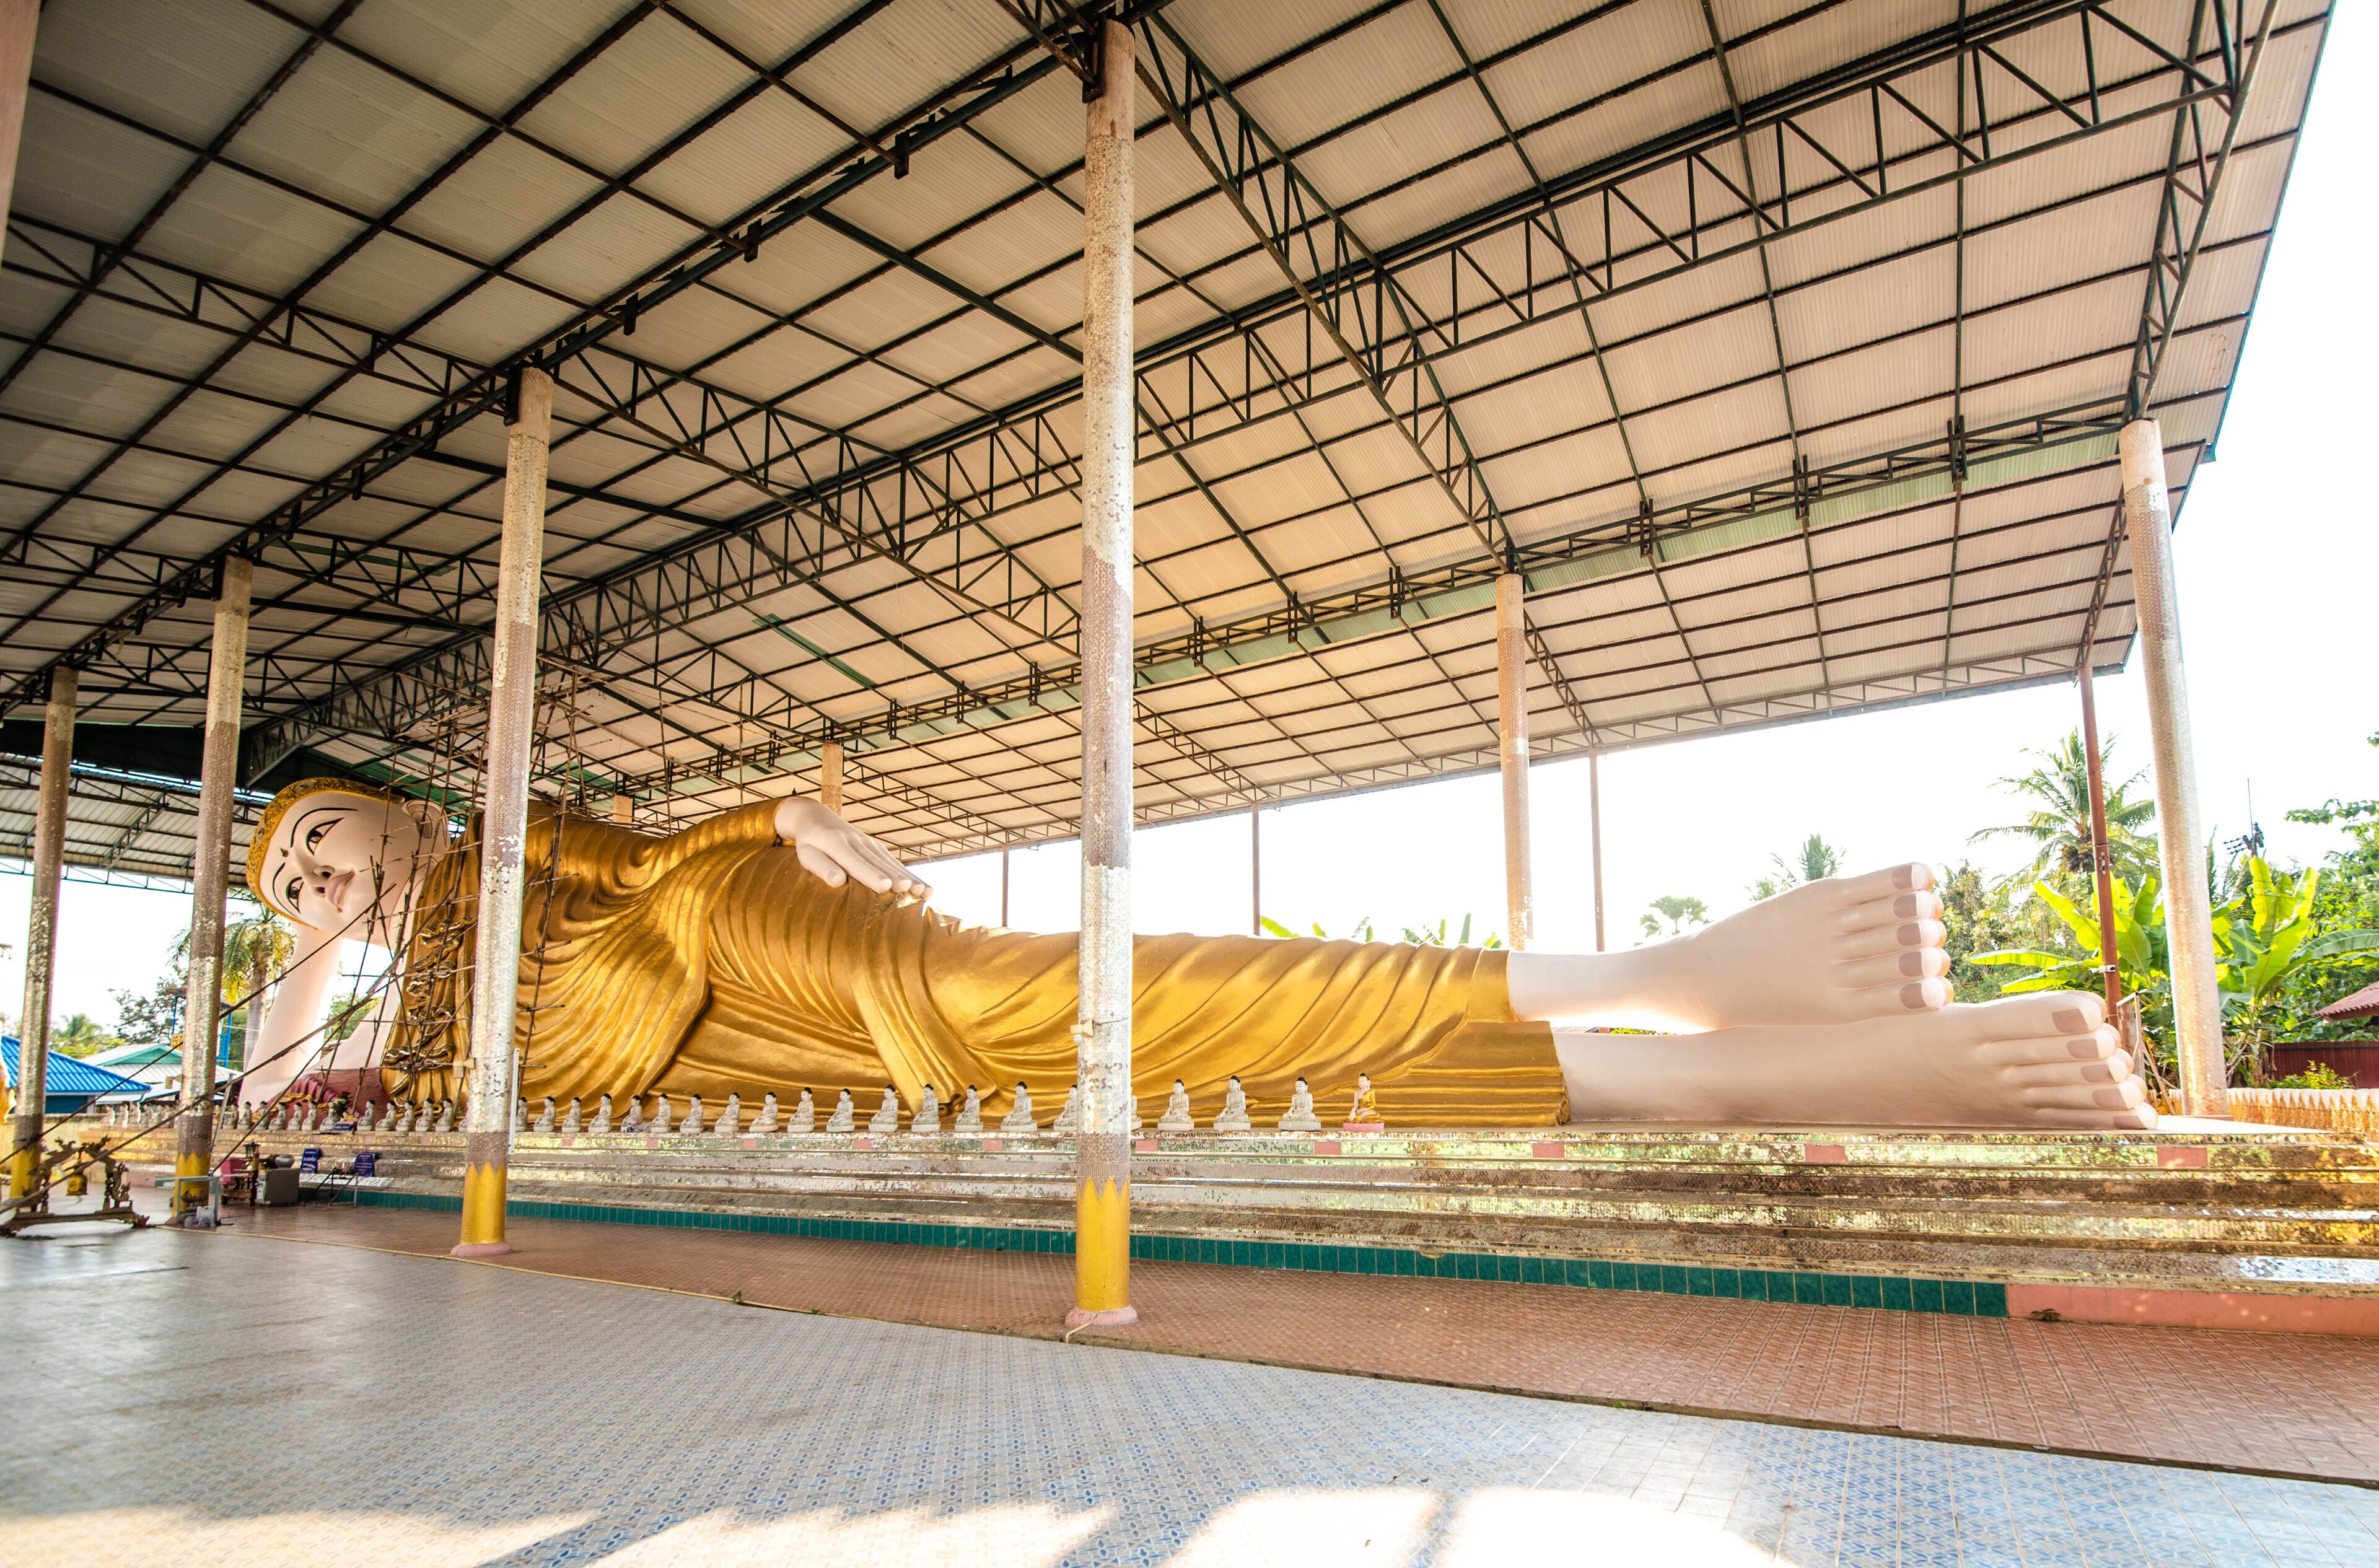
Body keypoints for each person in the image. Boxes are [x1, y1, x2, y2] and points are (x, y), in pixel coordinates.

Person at [239, 777, 2149, 1131]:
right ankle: (1709, 1050)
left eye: (329, 842)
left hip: (753, 939)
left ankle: (1636, 965)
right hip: (743, 1070)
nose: (327, 886)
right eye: (297, 888)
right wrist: (293, 984)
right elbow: (261, 1071)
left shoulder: (510, 853)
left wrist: (782, 820)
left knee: (1042, 999)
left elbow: (671, 851)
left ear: (404, 816)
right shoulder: (391, 1007)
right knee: (1177, 1079)